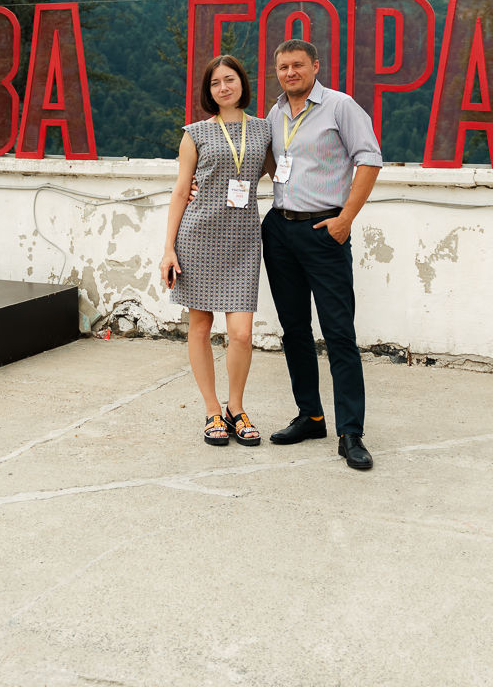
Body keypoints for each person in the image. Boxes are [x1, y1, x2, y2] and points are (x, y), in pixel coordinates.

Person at [261, 38, 382, 470]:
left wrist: (345, 219)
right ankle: (310, 416)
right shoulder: (275, 113)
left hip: (323, 230)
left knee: (338, 333)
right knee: (294, 329)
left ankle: (351, 433)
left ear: (315, 65)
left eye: (297, 65)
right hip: (280, 230)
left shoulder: (339, 106)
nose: (290, 73)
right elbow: (271, 162)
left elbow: (370, 160)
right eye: (283, 67)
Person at [161, 55, 273, 447]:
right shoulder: (195, 133)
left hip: (243, 241)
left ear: (242, 82)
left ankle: (235, 407)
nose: (223, 88)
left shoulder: (264, 129)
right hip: (198, 237)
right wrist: (168, 249)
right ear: (208, 91)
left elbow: (273, 170)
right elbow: (181, 189)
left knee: (241, 334)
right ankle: (212, 410)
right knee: (200, 326)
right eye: (215, 83)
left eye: (229, 79)